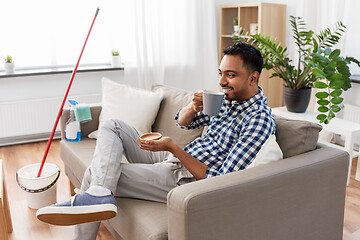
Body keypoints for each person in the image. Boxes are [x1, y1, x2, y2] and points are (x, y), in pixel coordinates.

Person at [36, 42, 277, 239]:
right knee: (112, 125)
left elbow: (219, 180)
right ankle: (98, 193)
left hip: (185, 179)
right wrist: (192, 107)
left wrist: (172, 146)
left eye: (231, 75)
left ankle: (94, 202)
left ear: (253, 78)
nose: (222, 81)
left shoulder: (256, 121)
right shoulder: (227, 100)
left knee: (95, 175)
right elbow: (183, 122)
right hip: (173, 158)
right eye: (221, 73)